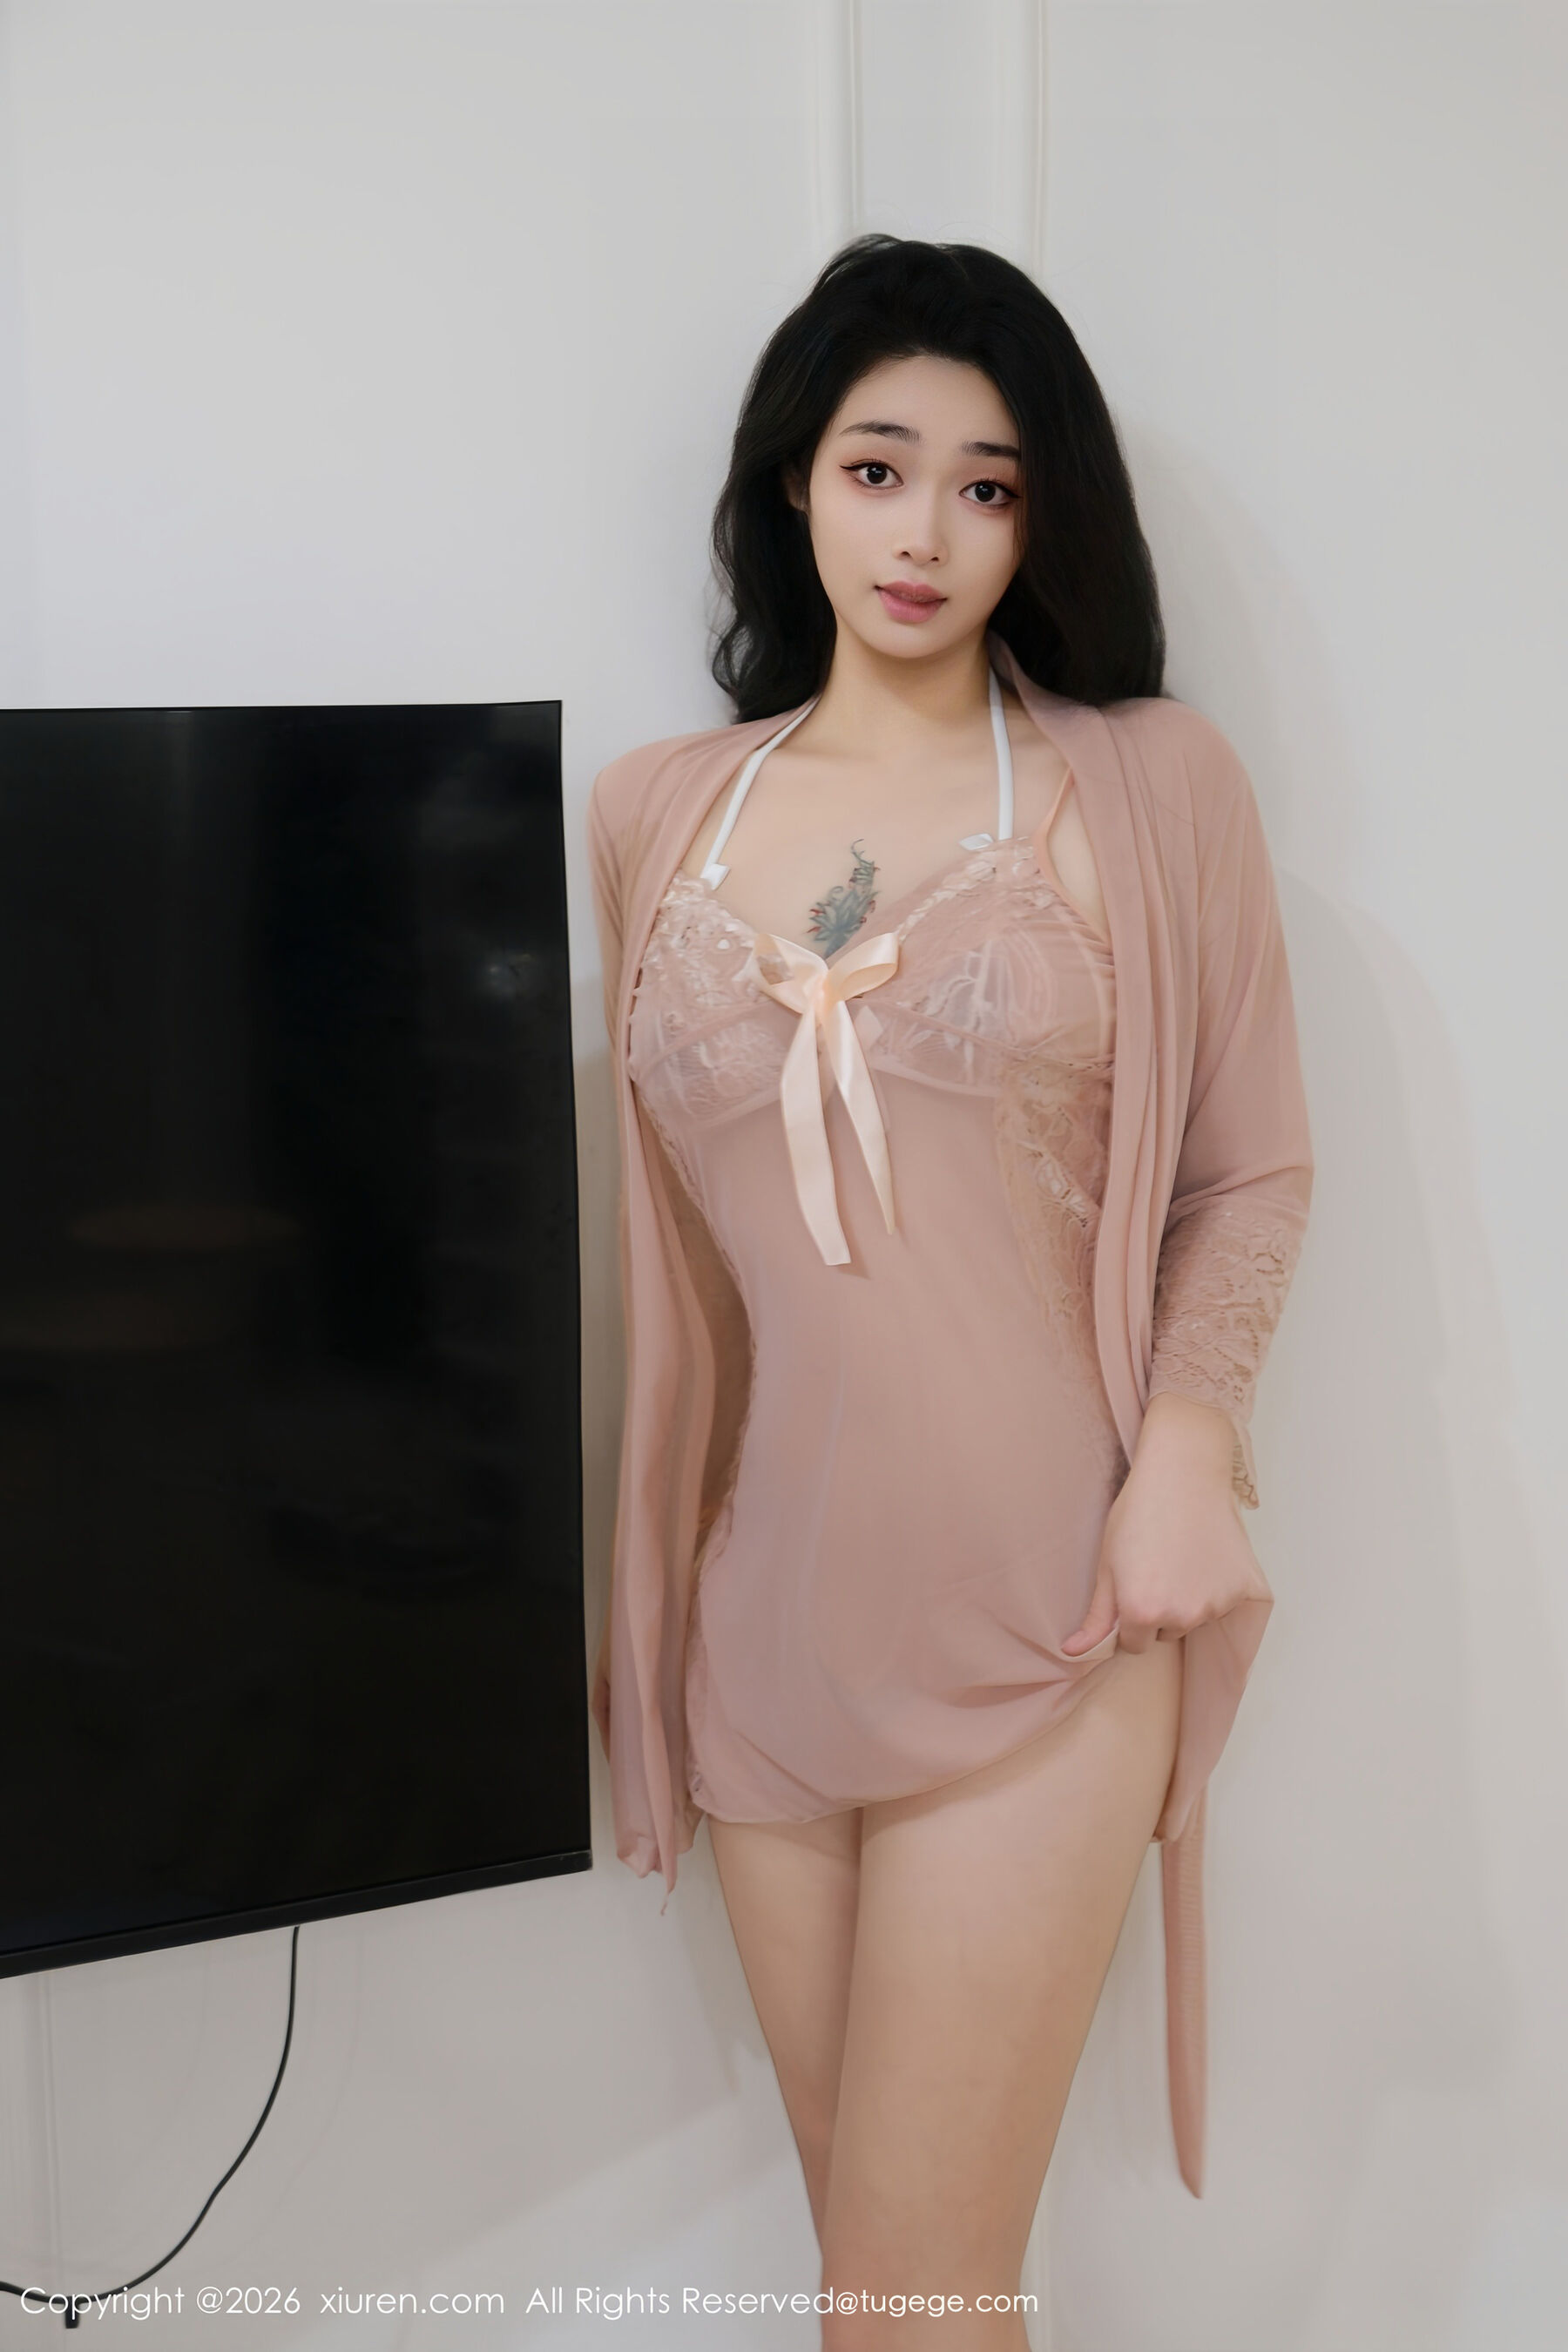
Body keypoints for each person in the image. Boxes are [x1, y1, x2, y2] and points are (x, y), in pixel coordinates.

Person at [586, 234, 1312, 2344]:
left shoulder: (1148, 783)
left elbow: (1250, 1168)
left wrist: (1184, 1457)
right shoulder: (656, 814)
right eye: (878, 467)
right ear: (794, 483)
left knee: (902, 2304)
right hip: (765, 1632)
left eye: (987, 487)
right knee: (898, 2305)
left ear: (1040, 518)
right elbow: (678, 1285)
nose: (923, 533)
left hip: (1047, 1617)